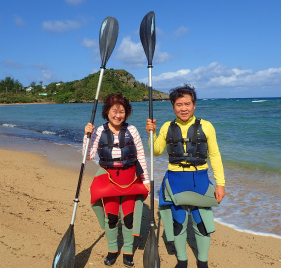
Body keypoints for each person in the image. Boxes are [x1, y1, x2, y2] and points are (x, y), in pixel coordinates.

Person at [146, 84, 226, 268]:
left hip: (200, 181)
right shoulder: (168, 127)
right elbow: (156, 151)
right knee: (178, 223)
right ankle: (182, 259)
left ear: (194, 105)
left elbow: (215, 155)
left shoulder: (206, 126)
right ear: (173, 106)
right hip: (175, 181)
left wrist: (220, 184)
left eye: (187, 104)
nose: (184, 108)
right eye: (179, 104)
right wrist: (151, 132)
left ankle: (203, 261)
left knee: (202, 223)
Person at [83, 93, 150, 267]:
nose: (118, 115)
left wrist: (146, 180)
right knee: (111, 217)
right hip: (109, 179)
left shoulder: (132, 130)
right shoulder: (98, 131)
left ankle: (128, 251)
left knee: (128, 217)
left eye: (122, 111)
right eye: (114, 111)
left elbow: (141, 156)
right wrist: (86, 136)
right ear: (107, 112)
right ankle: (112, 249)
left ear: (126, 113)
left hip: (129, 178)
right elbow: (89, 156)